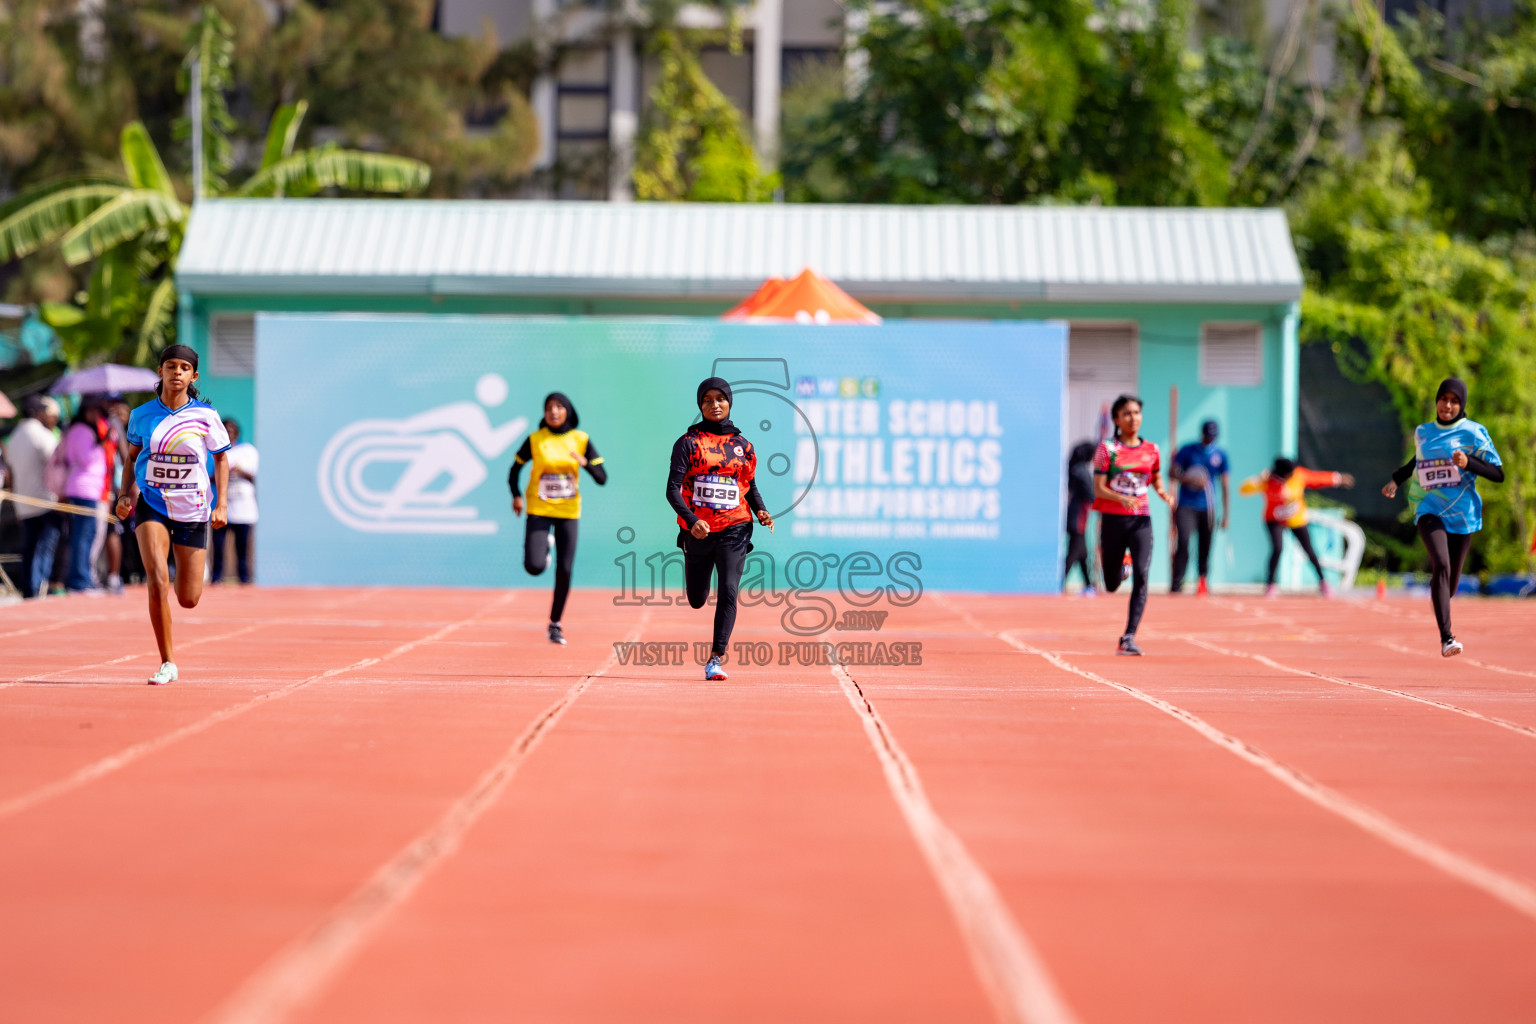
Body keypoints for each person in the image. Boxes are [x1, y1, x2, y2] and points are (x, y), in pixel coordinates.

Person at [115, 345, 231, 685]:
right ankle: (167, 661)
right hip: (153, 503)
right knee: (157, 581)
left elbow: (222, 459)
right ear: (161, 372)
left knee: (188, 598)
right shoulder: (141, 415)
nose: (176, 372)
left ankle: (188, 580)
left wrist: (221, 503)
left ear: (193, 376)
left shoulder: (206, 417)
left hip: (193, 509)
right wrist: (125, 495)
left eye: (183, 368)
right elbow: (130, 458)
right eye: (170, 366)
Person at [1381, 377, 1502, 657]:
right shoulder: (1423, 431)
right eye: (1443, 399)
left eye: (1454, 401)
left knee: (1450, 583)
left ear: (1462, 405)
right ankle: (1447, 638)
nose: (1447, 405)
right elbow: (1418, 461)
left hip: (1462, 515)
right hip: (1428, 507)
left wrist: (1469, 462)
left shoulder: (1474, 433)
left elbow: (1498, 474)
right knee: (1441, 565)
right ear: (1437, 401)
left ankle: (1439, 597)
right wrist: (1396, 481)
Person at [666, 377, 774, 680]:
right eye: (708, 400)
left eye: (720, 399)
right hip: (698, 531)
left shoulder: (743, 446)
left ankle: (716, 657)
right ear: (701, 405)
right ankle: (691, 552)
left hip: (736, 527)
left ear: (729, 402)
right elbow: (672, 490)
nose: (715, 405)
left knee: (729, 589)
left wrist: (761, 510)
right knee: (697, 599)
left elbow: (749, 485)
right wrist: (691, 521)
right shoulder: (688, 443)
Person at [508, 393, 606, 644]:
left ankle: (555, 623)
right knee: (534, 566)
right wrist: (516, 495)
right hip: (539, 508)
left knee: (564, 569)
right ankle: (544, 545)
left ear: (568, 411)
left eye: (559, 407)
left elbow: (602, 477)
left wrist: (585, 462)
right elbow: (514, 469)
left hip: (568, 512)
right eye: (549, 408)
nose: (553, 412)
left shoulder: (580, 439)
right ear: (544, 412)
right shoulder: (535, 439)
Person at [1091, 394, 1172, 656]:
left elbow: (1156, 479)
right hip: (1113, 519)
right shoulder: (1107, 449)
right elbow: (1099, 488)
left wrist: (1163, 493)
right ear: (1116, 419)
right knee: (1112, 584)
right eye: (1126, 413)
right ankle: (1123, 566)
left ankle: (1128, 637)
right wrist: (1121, 498)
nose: (1132, 418)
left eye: (1136, 412)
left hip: (1141, 521)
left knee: (1143, 576)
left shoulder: (1152, 450)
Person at [1240, 458, 1354, 596]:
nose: (1293, 474)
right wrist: (1259, 478)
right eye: (1289, 474)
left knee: (1309, 550)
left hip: (1296, 519)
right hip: (1274, 519)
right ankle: (1270, 584)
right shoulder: (1268, 481)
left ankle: (1323, 583)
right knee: (1277, 548)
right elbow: (1243, 489)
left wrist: (1339, 478)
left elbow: (1317, 478)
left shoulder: (1298, 475)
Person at [4, 396, 62, 598]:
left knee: (29, 548)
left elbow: (10, 474)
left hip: (24, 503)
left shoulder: (14, 437)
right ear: (39, 413)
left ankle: (29, 589)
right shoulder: (42, 435)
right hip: (46, 500)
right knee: (44, 547)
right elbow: (57, 464)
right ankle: (38, 588)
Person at [1169, 419, 1230, 595]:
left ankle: (1202, 580)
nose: (1210, 439)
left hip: (1208, 507)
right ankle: (1177, 583)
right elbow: (1172, 473)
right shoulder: (1187, 450)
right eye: (1207, 435)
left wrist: (1226, 514)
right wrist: (1189, 478)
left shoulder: (1220, 454)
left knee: (1206, 545)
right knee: (1184, 542)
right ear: (1202, 434)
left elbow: (1225, 484)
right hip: (1186, 505)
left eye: (1213, 436)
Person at [57, 398, 111, 594]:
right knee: (84, 536)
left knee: (83, 535)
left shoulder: (77, 430)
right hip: (84, 489)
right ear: (87, 412)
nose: (98, 417)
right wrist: (101, 444)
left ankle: (80, 577)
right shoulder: (82, 431)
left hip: (85, 488)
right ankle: (80, 580)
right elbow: (85, 459)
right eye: (95, 412)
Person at [212, 418, 259, 585]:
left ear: (237, 432)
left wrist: (239, 470)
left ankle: (244, 580)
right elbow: (209, 477)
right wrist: (223, 471)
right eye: (225, 429)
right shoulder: (215, 451)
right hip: (221, 507)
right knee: (218, 548)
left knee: (242, 549)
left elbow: (256, 476)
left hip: (244, 508)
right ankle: (216, 579)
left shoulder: (248, 451)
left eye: (232, 429)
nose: (229, 432)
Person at [1063, 441, 1096, 595]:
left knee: (1083, 553)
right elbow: (1090, 495)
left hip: (1077, 515)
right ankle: (1059, 581)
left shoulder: (1075, 469)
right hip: (1078, 517)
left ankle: (1089, 585)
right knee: (1074, 551)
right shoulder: (1081, 471)